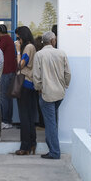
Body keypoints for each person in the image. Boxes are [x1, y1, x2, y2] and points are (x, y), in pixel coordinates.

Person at [33, 31, 71, 159]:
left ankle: (54, 152)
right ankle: (53, 149)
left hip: (46, 93)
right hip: (59, 93)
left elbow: (36, 76)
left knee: (50, 124)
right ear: (53, 40)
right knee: (52, 121)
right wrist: (65, 85)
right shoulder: (61, 53)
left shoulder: (39, 54)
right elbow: (68, 73)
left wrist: (38, 88)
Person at [14, 26, 38, 155]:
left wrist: (18, 51)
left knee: (25, 117)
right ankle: (32, 144)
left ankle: (25, 147)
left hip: (25, 84)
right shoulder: (32, 47)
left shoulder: (28, 47)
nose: (17, 40)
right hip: (30, 84)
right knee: (29, 117)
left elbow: (20, 65)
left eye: (18, 37)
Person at [0, 24, 17, 129]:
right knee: (8, 98)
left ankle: (6, 121)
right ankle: (8, 120)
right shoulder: (9, 39)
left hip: (5, 72)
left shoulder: (3, 40)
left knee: (4, 97)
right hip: (11, 72)